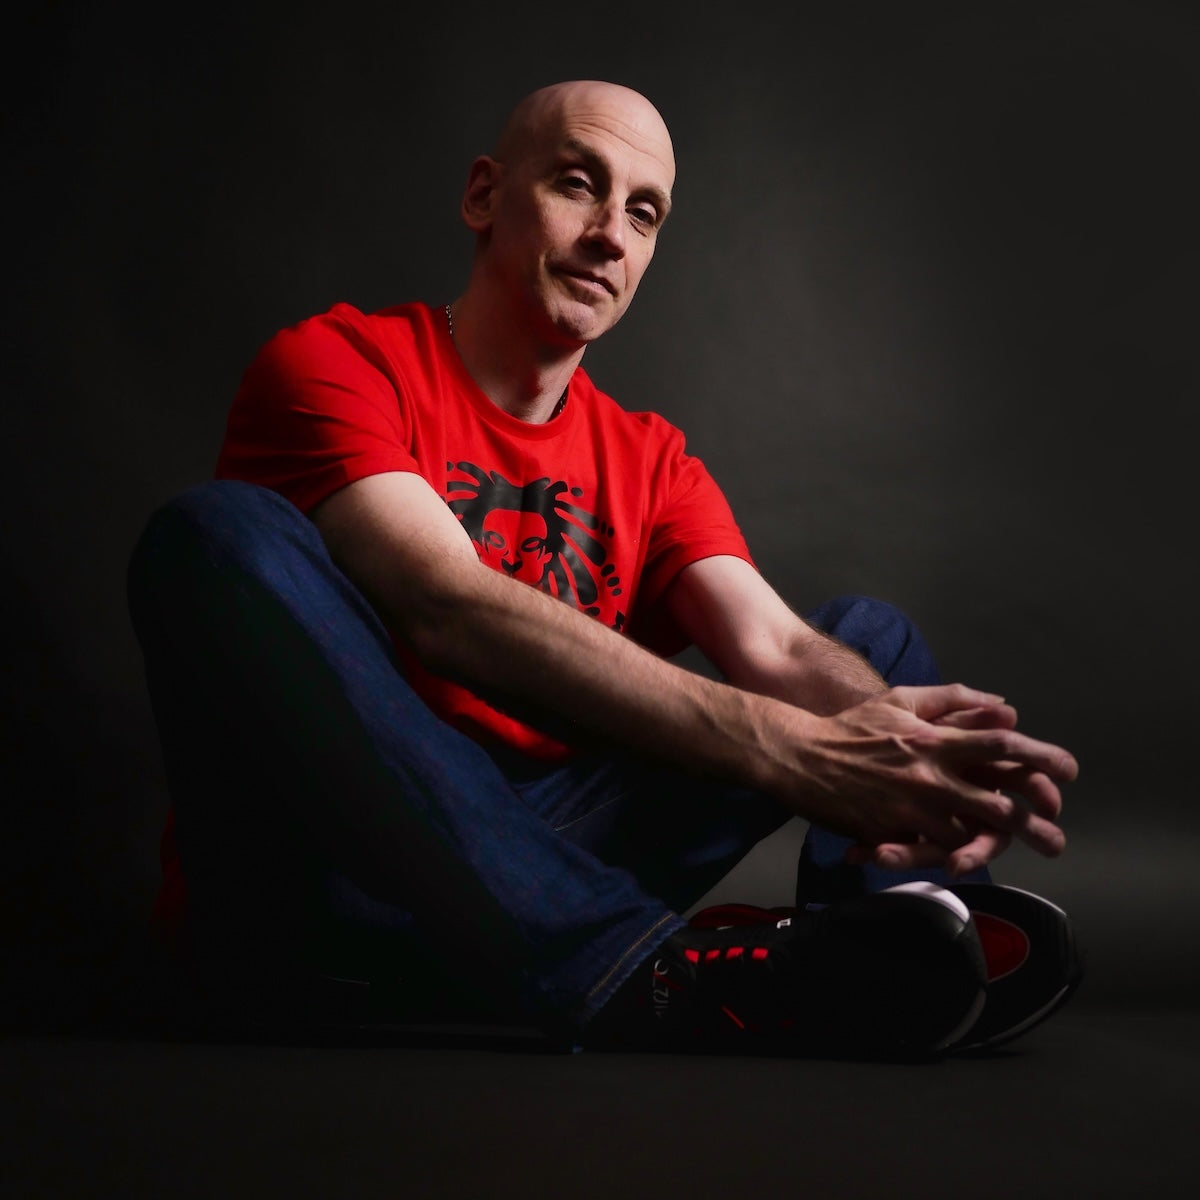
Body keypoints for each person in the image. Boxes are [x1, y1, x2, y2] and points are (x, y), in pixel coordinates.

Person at [127, 80, 1082, 1056]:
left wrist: (915, 774)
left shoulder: (649, 457)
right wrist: (792, 751)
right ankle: (634, 969)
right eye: (579, 185)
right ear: (484, 197)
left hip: (554, 850)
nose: (611, 235)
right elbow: (445, 605)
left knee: (864, 646)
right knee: (214, 533)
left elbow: (777, 646)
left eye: (644, 212)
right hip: (340, 874)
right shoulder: (339, 363)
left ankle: (913, 948)